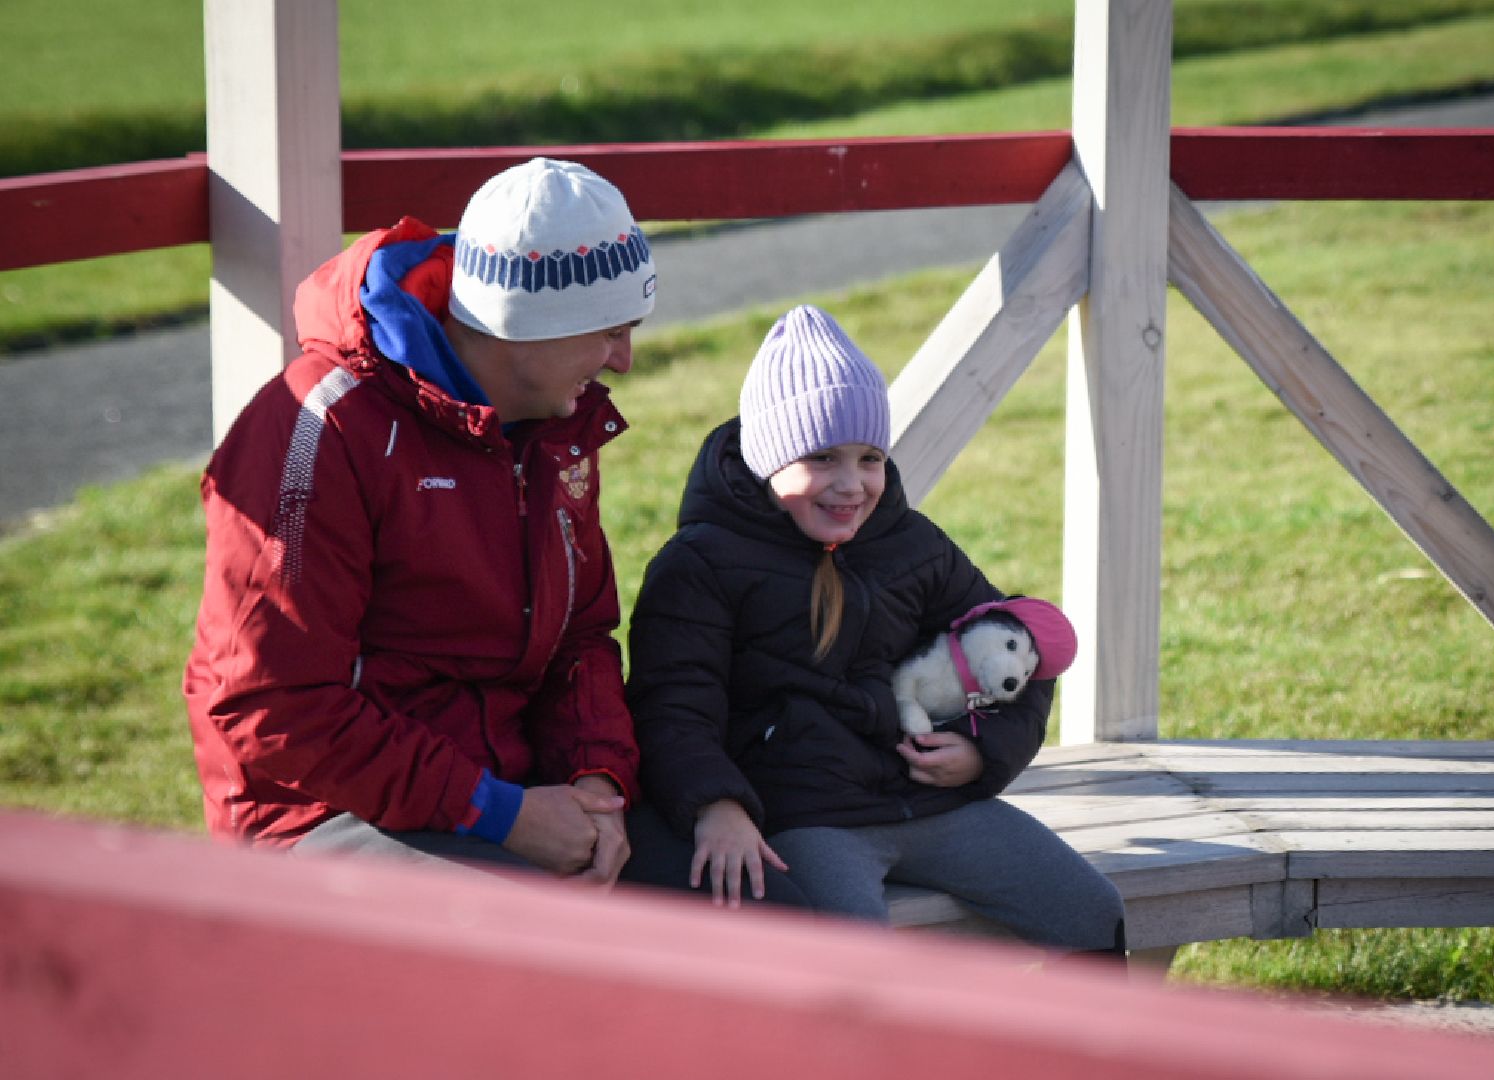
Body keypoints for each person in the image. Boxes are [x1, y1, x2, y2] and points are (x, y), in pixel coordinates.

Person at [183, 157, 659, 886]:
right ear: (520, 328)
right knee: (553, 939)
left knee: (768, 907)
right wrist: (500, 813)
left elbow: (580, 638)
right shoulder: (322, 425)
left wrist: (597, 784)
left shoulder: (554, 421)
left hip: (516, 793)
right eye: (609, 332)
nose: (622, 362)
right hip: (322, 813)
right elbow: (273, 704)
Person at [625, 303, 1126, 953]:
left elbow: (1018, 649)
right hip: (806, 820)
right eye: (821, 457)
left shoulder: (910, 543)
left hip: (934, 805)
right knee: (860, 966)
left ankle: (1069, 1029)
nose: (851, 484)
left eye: (869, 458)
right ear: (768, 458)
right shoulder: (701, 564)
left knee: (1093, 913)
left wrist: (984, 753)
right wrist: (715, 805)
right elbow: (672, 704)